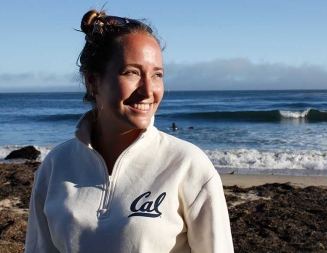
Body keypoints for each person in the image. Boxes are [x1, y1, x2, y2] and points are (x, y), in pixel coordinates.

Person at [25, 9, 233, 253]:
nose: (148, 90)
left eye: (157, 75)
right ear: (93, 81)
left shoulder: (187, 164)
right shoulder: (55, 166)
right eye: (131, 72)